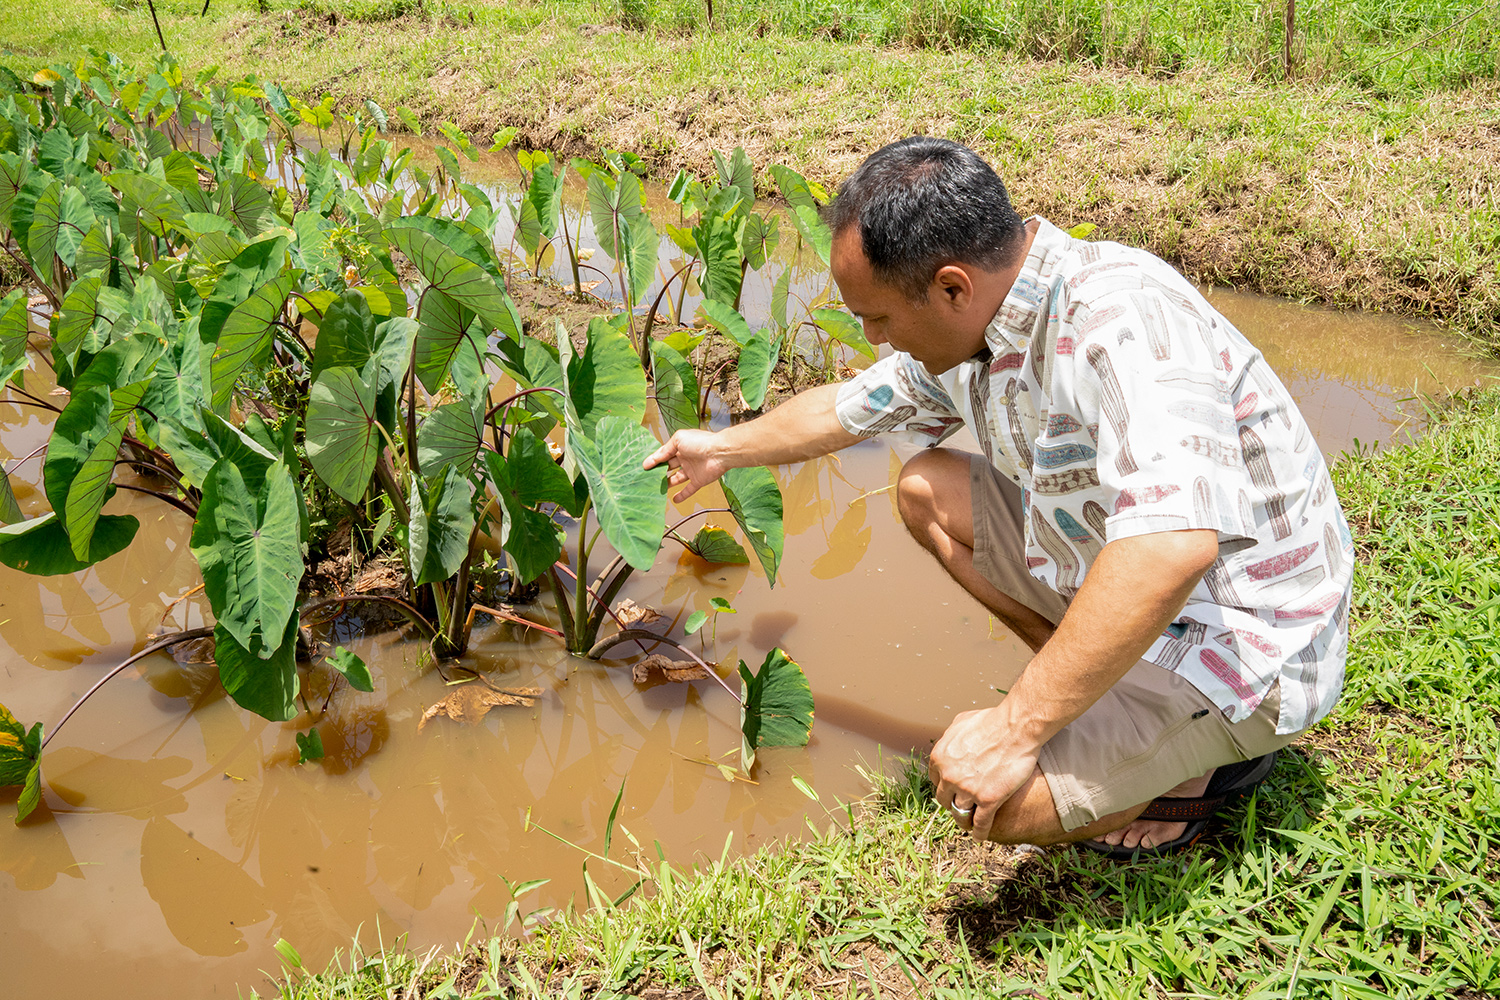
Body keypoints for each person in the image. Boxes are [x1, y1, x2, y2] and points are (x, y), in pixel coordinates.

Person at [643, 136, 1353, 857]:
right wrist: (720, 449)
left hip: (1238, 637)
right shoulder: (985, 322)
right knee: (928, 489)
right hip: (1137, 581)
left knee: (994, 806)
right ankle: (1105, 703)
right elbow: (846, 409)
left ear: (952, 287)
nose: (872, 337)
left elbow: (1174, 546)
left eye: (880, 319)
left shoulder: (1121, 321)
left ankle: (1204, 771)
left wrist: (1017, 727)